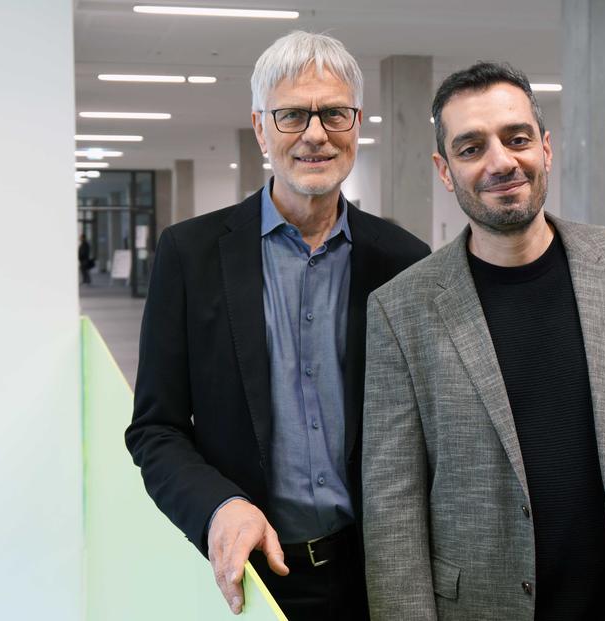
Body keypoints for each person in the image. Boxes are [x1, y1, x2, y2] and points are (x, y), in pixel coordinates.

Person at [361, 62, 605, 620]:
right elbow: (394, 506)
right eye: (471, 148)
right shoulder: (401, 309)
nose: (501, 162)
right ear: (444, 170)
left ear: (546, 148)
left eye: (517, 139)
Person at [125, 31, 428, 620]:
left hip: (378, 576)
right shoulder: (191, 255)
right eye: (291, 115)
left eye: (334, 113)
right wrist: (219, 507)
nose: (315, 134)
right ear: (262, 129)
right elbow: (156, 431)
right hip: (252, 581)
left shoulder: (405, 263)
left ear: (357, 125)